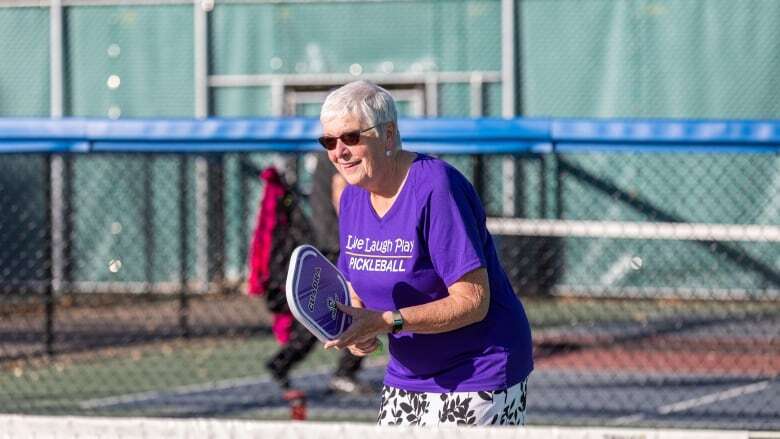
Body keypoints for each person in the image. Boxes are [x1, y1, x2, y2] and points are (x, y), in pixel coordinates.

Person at [318, 80, 534, 426]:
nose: (339, 151)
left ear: (388, 135)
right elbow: (357, 284)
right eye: (329, 141)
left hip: (480, 368)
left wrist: (388, 321)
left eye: (351, 137)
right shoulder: (352, 197)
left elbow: (472, 301)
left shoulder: (437, 187)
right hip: (408, 372)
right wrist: (361, 329)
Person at [248, 160, 370, 395]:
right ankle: (341, 372)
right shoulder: (341, 158)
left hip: (331, 243)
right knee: (347, 308)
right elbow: (340, 193)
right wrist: (358, 232)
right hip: (338, 245)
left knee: (331, 311)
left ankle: (286, 362)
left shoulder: (334, 157)